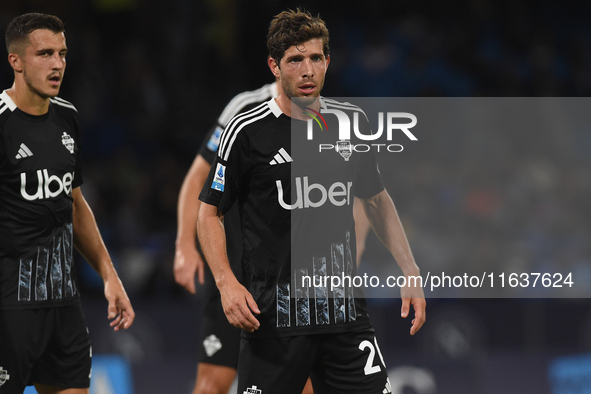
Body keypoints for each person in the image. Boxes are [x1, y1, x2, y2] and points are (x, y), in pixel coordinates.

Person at [198, 8, 426, 394]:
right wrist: (226, 283)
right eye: (295, 60)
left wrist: (410, 269)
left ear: (327, 62)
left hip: (345, 315)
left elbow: (376, 199)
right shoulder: (246, 131)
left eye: (316, 58)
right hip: (272, 320)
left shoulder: (351, 123)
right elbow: (208, 214)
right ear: (274, 66)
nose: (307, 70)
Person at [0, 13, 135, 394]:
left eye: (62, 53)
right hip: (11, 306)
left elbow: (76, 205)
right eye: (44, 54)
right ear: (16, 61)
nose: (57, 63)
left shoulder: (68, 118)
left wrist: (110, 276)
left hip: (64, 305)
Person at [174, 81, 314, 394]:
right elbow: (199, 176)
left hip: (293, 279)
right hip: (237, 269)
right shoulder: (245, 107)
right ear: (275, 63)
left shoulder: (323, 116)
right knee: (213, 383)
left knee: (306, 385)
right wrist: (185, 245)